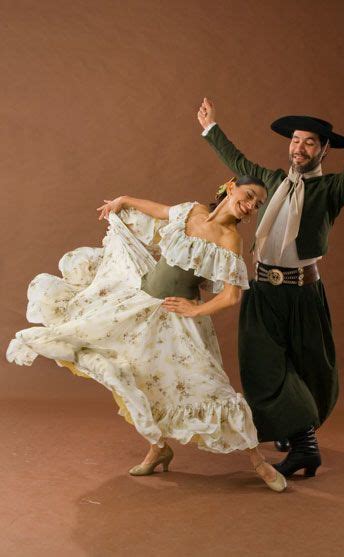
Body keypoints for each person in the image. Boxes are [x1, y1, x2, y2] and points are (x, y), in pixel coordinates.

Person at [6, 175, 288, 492]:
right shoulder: (192, 211)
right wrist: (123, 200)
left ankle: (258, 464)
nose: (250, 206)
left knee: (213, 389)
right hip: (138, 304)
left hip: (177, 322)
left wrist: (195, 310)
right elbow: (159, 210)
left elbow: (231, 296)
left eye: (257, 204)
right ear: (231, 186)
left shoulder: (229, 238)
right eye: (249, 196)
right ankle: (159, 449)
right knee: (138, 377)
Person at [197, 80, 344, 477]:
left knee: (308, 367)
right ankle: (302, 440)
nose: (299, 148)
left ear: (324, 149)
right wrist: (210, 129)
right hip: (262, 293)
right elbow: (237, 162)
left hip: (304, 292)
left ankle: (300, 437)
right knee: (263, 364)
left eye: (310, 143)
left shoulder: (332, 189)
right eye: (295, 140)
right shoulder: (270, 180)